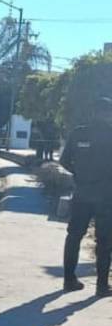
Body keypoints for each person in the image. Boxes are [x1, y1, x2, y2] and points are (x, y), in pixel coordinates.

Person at [59, 96, 112, 296]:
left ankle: (69, 280)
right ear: (108, 114)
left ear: (92, 112)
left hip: (82, 193)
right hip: (107, 196)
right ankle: (101, 286)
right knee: (105, 241)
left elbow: (64, 161)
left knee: (73, 236)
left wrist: (80, 175)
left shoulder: (78, 133)